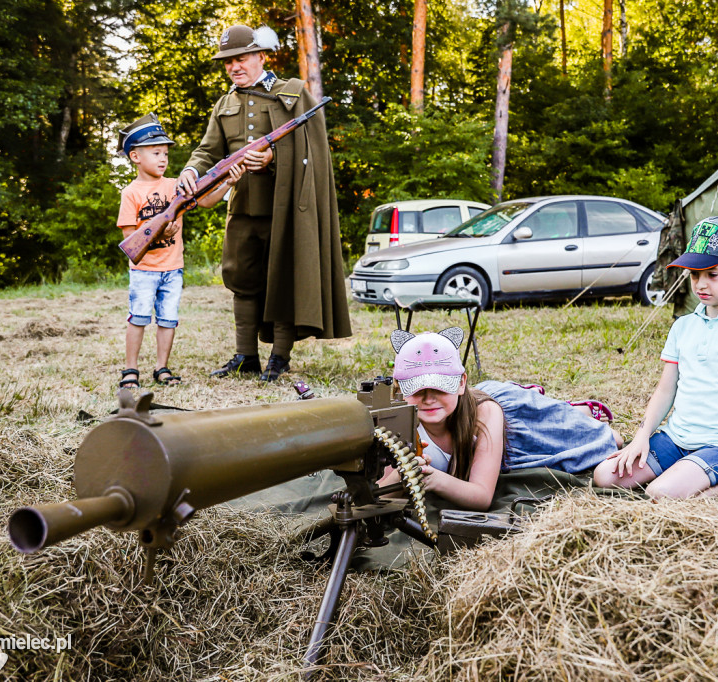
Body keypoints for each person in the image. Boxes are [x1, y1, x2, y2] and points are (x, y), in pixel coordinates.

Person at [177, 24, 351, 382]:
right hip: (242, 207)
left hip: (286, 208)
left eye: (240, 59)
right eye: (227, 62)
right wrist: (192, 170)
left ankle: (279, 358)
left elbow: (311, 153)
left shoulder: (292, 94)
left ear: (261, 56)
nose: (233, 67)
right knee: (242, 279)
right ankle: (246, 356)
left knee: (284, 278)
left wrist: (274, 157)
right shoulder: (225, 104)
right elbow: (209, 150)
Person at [593, 215, 718, 499]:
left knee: (660, 492)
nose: (701, 284)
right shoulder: (682, 326)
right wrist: (641, 437)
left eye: (713, 273)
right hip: (677, 437)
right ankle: (690, 475)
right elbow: (666, 388)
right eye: (695, 274)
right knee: (604, 476)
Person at [381, 328, 622, 511]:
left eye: (441, 387)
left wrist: (431, 479)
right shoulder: (398, 421)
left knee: (611, 440)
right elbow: (379, 495)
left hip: (515, 424)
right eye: (418, 389)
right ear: (401, 389)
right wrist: (398, 477)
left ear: (461, 383)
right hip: (491, 415)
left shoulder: (485, 414)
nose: (429, 398)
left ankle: (581, 410)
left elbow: (482, 496)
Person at [116, 113, 242, 389]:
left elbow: (206, 200)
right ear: (135, 157)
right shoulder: (131, 192)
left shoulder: (176, 185)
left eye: (165, 153)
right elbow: (129, 236)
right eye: (156, 153)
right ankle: (130, 370)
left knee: (168, 320)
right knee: (138, 319)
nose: (163, 158)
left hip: (173, 268)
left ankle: (162, 367)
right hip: (144, 270)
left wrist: (228, 183)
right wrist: (160, 230)